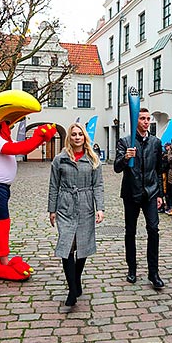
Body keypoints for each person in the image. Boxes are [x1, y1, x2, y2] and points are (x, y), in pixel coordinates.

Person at [48, 123, 104, 306]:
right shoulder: (60, 159)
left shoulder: (93, 159)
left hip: (85, 205)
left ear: (84, 137)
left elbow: (98, 185)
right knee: (67, 246)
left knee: (83, 246)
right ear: (69, 138)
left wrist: (100, 208)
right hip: (65, 206)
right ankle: (72, 289)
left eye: (80, 134)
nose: (77, 137)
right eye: (74, 134)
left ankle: (76, 278)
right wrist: (52, 210)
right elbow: (53, 185)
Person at [114, 108, 165, 289]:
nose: (145, 121)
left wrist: (160, 194)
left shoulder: (156, 143)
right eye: (142, 118)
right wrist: (126, 157)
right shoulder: (125, 142)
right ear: (136, 120)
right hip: (131, 192)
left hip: (150, 192)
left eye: (147, 118)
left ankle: (154, 272)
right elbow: (117, 168)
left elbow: (159, 170)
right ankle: (132, 269)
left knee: (153, 229)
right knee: (130, 231)